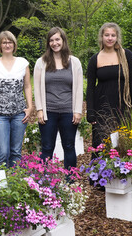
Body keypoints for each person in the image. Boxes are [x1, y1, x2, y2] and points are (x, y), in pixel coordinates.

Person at [86, 22, 132, 156]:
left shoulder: (126, 55)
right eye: (107, 35)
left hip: (123, 105)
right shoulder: (95, 59)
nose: (110, 38)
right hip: (102, 108)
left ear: (117, 37)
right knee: (101, 141)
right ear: (102, 37)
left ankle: (123, 174)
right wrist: (91, 112)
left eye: (113, 35)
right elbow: (90, 88)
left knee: (123, 142)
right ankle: (99, 174)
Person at [33, 27, 83, 170]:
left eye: (57, 39)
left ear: (63, 40)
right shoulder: (41, 62)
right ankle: (44, 181)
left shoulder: (74, 62)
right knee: (47, 147)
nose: (55, 43)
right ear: (48, 43)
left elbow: (79, 88)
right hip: (49, 112)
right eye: (51, 40)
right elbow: (36, 87)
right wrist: (40, 110)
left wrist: (77, 111)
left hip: (69, 111)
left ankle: (70, 179)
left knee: (69, 146)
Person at [0, 31, 32, 168]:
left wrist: (30, 107)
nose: (7, 45)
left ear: (14, 44)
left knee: (16, 152)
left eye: (10, 42)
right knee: (3, 151)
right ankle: (0, 186)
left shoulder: (23, 63)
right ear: (0, 45)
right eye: (4, 42)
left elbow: (27, 86)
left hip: (19, 114)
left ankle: (13, 184)